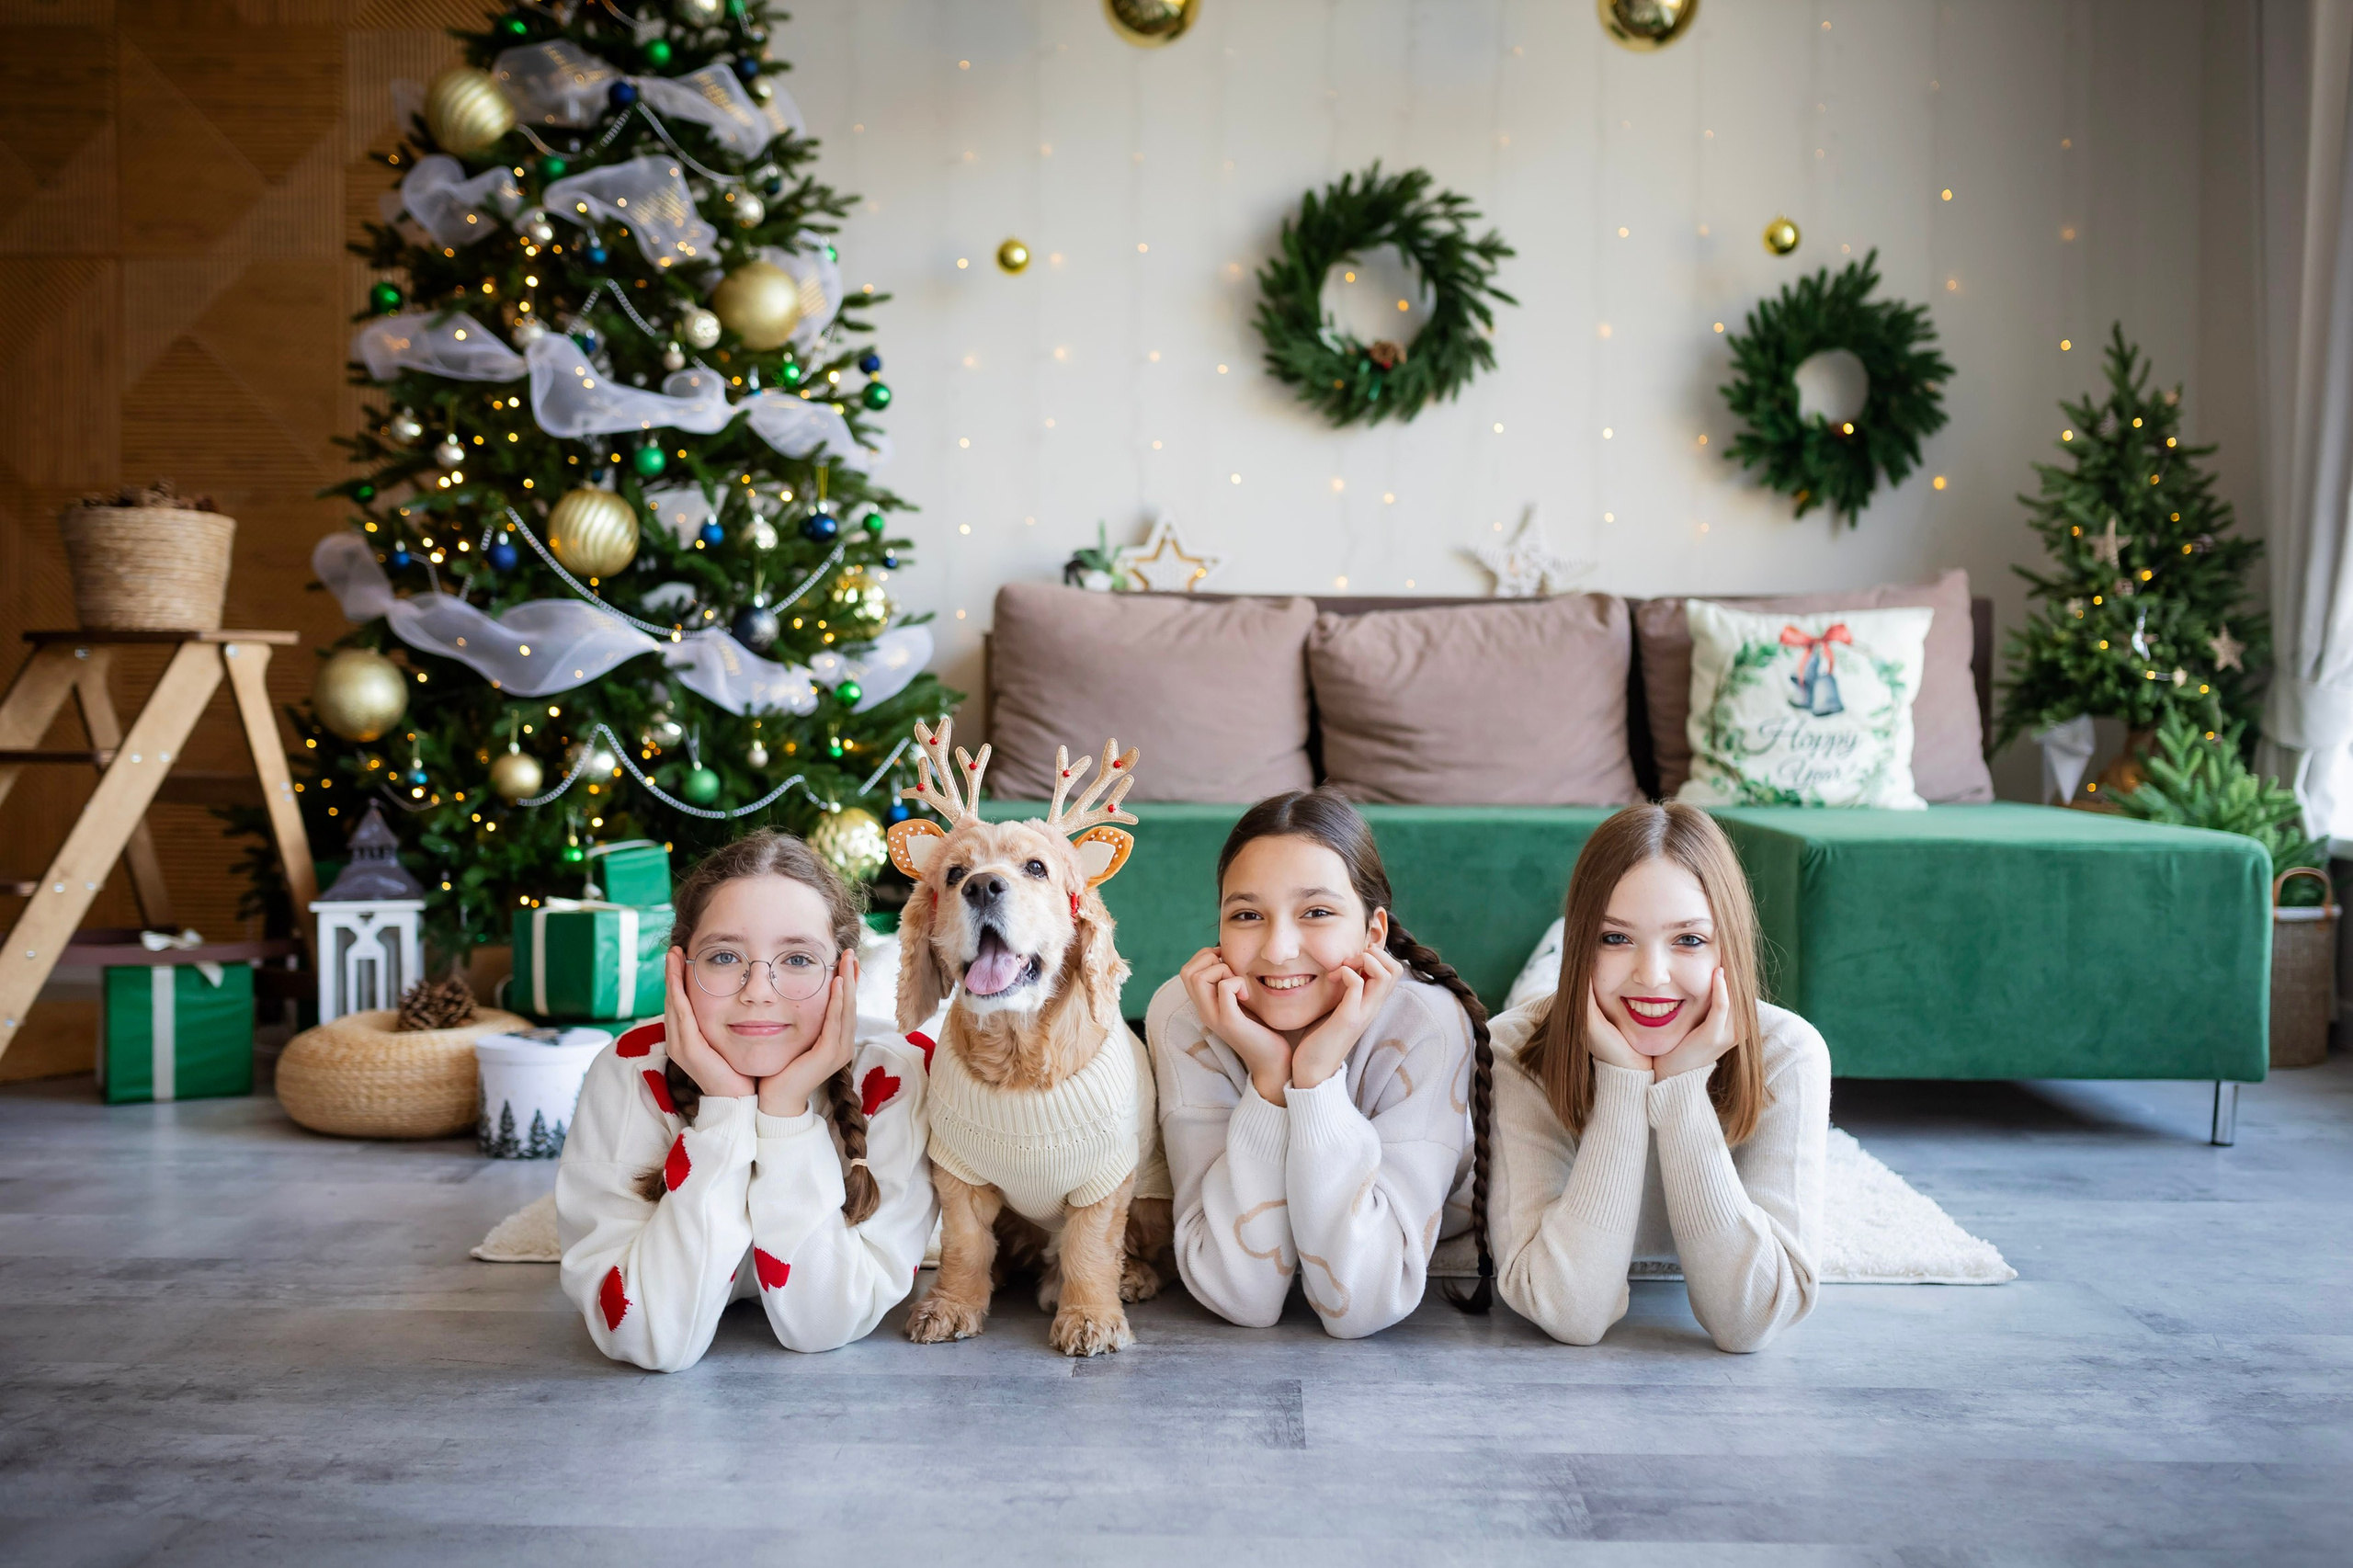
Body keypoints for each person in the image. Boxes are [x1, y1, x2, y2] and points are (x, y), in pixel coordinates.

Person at [557, 831, 937, 1370]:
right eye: (724, 956)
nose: (758, 990)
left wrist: (784, 1114)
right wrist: (726, 1109)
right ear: (679, 971)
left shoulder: (897, 1074)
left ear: (845, 976)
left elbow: (824, 1323)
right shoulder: (629, 1070)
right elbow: (647, 1337)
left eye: (798, 959)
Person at [1148, 788, 1493, 1337]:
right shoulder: (1187, 1015)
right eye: (1247, 914)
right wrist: (1269, 1078)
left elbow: (1361, 1306)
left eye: (1317, 912)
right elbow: (1240, 1295)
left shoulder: (1425, 1023)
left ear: (1373, 932)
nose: (1278, 949)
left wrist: (1315, 1080)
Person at [1489, 803, 1829, 1353]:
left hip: (1615, 1000)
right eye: (1614, 937)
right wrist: (1623, 1082)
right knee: (1536, 998)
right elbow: (1569, 1311)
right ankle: (1551, 958)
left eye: (1689, 939)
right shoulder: (1512, 1048)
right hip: (1566, 1007)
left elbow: (1750, 1321)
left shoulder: (1788, 1052)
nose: (1651, 975)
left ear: (1729, 944)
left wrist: (1682, 1087)